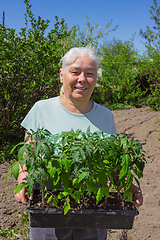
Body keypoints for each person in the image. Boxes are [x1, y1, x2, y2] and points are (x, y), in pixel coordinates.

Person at [15, 47, 143, 240]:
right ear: (62, 75)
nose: (82, 79)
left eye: (90, 74)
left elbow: (114, 163)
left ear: (95, 80)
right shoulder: (41, 109)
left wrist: (127, 185)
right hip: (49, 207)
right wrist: (23, 177)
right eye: (75, 72)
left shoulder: (105, 116)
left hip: (94, 209)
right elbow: (28, 153)